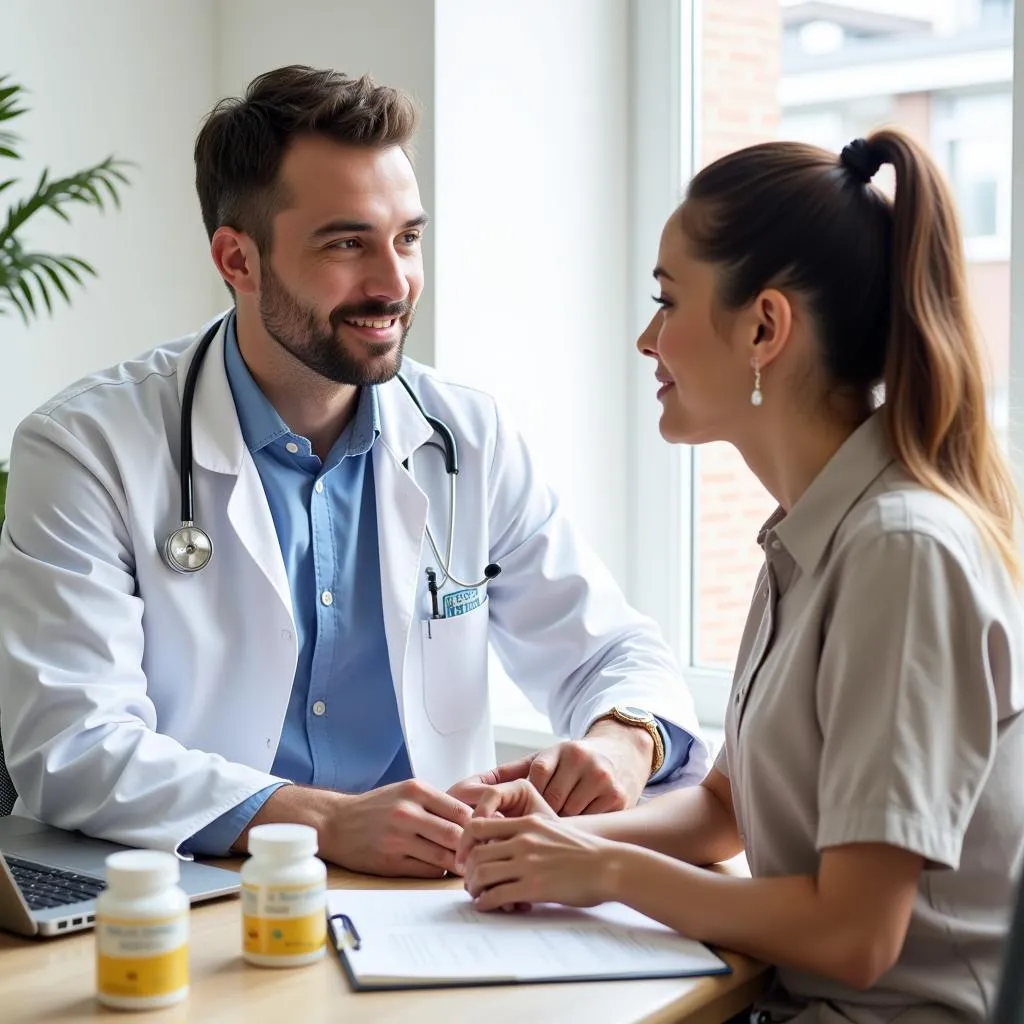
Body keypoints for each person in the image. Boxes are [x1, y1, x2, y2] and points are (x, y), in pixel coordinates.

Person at [0, 66, 706, 877]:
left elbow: (608, 647)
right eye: (347, 243)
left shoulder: (465, 435)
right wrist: (318, 822)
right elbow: (72, 744)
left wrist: (627, 739)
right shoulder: (86, 447)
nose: (394, 283)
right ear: (238, 259)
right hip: (194, 888)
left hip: (432, 901)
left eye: (407, 238)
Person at [456, 129, 1024, 1022]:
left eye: (666, 301)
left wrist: (602, 868)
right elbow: (725, 811)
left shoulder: (901, 552)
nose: (648, 339)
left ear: (764, 326)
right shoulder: (811, 530)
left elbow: (854, 935)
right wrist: (548, 841)